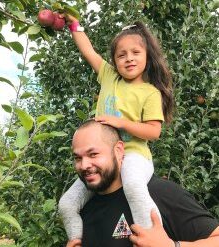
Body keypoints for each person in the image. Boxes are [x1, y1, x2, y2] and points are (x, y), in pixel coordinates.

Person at [58, 14, 174, 241]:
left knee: (132, 187)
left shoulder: (149, 92)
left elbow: (154, 131)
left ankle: (151, 239)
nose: (128, 59)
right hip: (105, 158)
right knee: (67, 204)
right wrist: (74, 25)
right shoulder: (110, 77)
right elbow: (88, 51)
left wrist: (121, 123)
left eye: (135, 53)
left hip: (133, 155)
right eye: (122, 55)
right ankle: (76, 241)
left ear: (147, 56)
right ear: (114, 60)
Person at [65, 120, 219, 247]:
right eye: (78, 158)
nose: (84, 165)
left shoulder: (160, 193)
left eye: (93, 154)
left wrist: (173, 246)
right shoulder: (82, 208)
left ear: (118, 150)